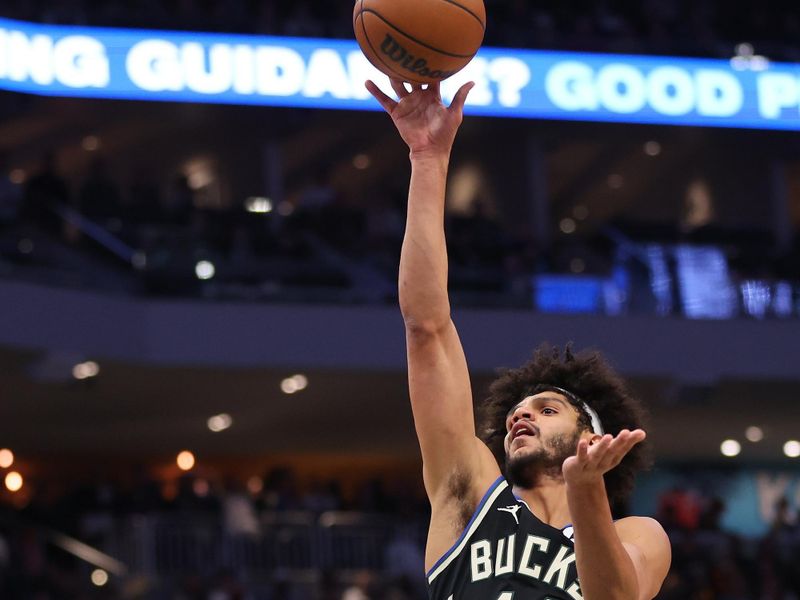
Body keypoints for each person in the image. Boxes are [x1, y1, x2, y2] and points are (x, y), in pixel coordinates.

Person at [365, 77, 671, 600]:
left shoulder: (639, 534)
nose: (519, 416)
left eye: (548, 409)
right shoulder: (469, 494)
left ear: (590, 438)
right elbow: (427, 327)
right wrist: (427, 160)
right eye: (518, 413)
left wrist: (584, 488)